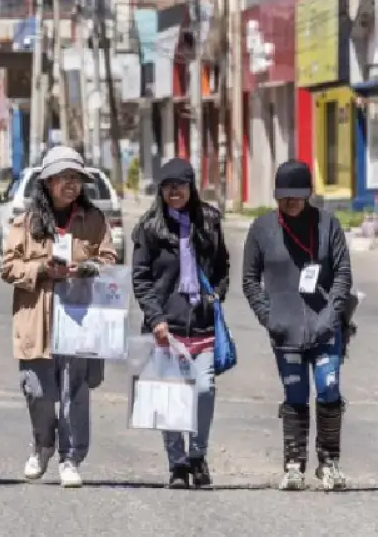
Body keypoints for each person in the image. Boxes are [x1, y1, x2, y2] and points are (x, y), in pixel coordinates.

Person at [0, 146, 118, 489]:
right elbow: (8, 266)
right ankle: (43, 445)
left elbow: (109, 259)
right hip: (36, 320)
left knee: (75, 392)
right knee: (37, 392)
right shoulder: (26, 221)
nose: (70, 185)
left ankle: (70, 457)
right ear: (48, 182)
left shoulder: (94, 220)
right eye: (63, 178)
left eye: (76, 179)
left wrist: (88, 267)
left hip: (80, 319)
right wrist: (40, 268)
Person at [241, 160, 353, 491]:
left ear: (308, 195)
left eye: (298, 196)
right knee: (296, 394)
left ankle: (329, 463)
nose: (291, 202)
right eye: (284, 197)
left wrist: (331, 316)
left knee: (328, 386)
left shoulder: (328, 225)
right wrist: (268, 316)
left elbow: (343, 274)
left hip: (325, 328)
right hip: (284, 331)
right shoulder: (261, 229)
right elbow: (249, 281)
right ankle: (293, 465)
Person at [130, 158, 231, 489]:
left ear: (192, 188)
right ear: (161, 190)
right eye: (168, 186)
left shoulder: (210, 222)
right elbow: (141, 278)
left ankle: (198, 456)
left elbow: (222, 265)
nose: (175, 192)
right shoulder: (149, 228)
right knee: (170, 396)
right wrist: (155, 318)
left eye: (181, 185)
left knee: (204, 389)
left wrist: (216, 294)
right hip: (165, 328)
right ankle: (176, 464)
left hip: (201, 324)